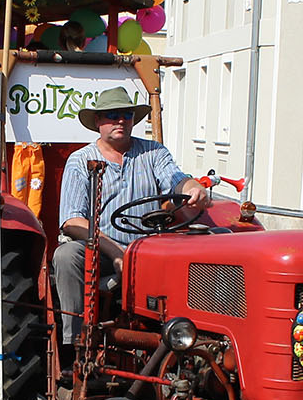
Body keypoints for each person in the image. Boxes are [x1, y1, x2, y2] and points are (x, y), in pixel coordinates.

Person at [54, 86, 208, 354]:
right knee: (67, 256)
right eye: (112, 115)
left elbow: (176, 180)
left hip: (149, 246)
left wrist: (193, 188)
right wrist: (116, 252)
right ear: (98, 122)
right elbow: (72, 221)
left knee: (208, 243)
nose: (120, 121)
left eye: (126, 114)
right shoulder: (80, 161)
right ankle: (76, 344)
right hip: (99, 249)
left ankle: (197, 336)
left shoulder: (153, 153)